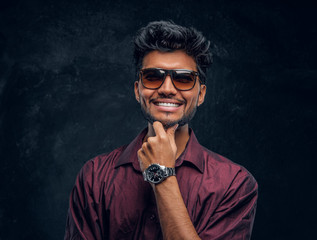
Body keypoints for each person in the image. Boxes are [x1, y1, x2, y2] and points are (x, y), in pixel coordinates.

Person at [64, 20, 258, 240]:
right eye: (153, 77)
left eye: (184, 79)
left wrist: (162, 173)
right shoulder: (95, 176)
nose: (167, 89)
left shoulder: (234, 184)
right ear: (138, 90)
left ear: (201, 94)